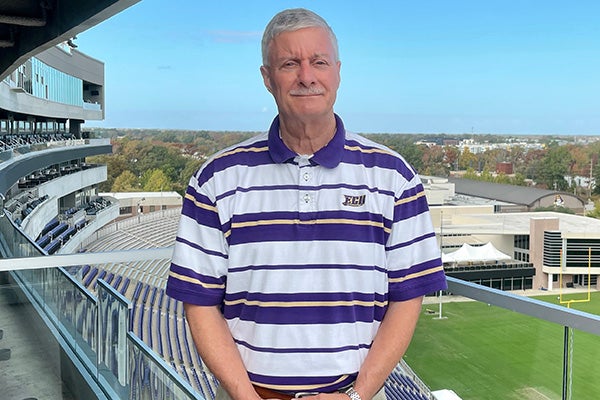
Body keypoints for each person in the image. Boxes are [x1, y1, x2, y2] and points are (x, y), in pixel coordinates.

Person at [166, 8, 447, 400]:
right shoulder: (216, 178)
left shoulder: (394, 177)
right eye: (289, 63)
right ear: (267, 78)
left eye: (319, 62)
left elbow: (407, 298)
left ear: (337, 72)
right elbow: (199, 304)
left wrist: (356, 397)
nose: (307, 76)